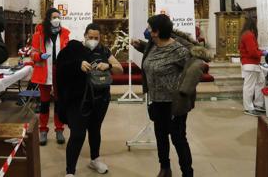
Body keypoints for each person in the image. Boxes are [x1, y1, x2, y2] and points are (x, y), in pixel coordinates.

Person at [131, 14, 194, 177]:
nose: (147, 30)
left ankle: (187, 172)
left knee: (178, 139)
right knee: (160, 136)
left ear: (156, 32)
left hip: (174, 103)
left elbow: (193, 69)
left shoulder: (178, 50)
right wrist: (140, 45)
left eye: (149, 28)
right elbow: (153, 55)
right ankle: (165, 168)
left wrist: (184, 91)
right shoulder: (153, 45)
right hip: (156, 100)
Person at [56, 23, 123, 177]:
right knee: (77, 134)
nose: (93, 40)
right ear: (84, 36)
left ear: (100, 38)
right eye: (90, 37)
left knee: (95, 130)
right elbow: (61, 66)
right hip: (79, 100)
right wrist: (77, 65)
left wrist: (108, 66)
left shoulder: (103, 50)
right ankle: (70, 172)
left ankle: (95, 159)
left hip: (100, 98)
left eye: (96, 38)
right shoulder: (74, 49)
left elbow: (120, 69)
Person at [31, 7, 71, 145]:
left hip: (59, 71)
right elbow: (32, 53)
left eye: (58, 17)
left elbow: (67, 52)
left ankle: (59, 130)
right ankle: (43, 130)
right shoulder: (39, 34)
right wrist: (39, 56)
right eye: (54, 17)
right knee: (44, 103)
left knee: (59, 102)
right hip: (44, 72)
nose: (57, 19)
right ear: (48, 19)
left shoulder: (65, 33)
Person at [239, 16, 265, 116]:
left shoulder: (246, 34)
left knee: (261, 82)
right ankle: (248, 108)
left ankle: (258, 104)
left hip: (253, 64)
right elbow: (252, 52)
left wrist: (260, 52)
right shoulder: (249, 35)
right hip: (250, 63)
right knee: (249, 86)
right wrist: (262, 53)